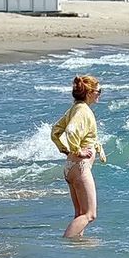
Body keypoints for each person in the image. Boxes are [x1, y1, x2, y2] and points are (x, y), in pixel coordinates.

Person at [51, 75, 107, 239]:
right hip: (80, 167)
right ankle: (64, 244)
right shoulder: (83, 111)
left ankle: (76, 249)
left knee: (80, 213)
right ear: (89, 92)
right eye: (99, 91)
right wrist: (77, 151)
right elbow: (71, 131)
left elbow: (56, 131)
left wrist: (64, 150)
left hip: (71, 167)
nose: (100, 94)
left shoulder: (75, 108)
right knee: (90, 214)